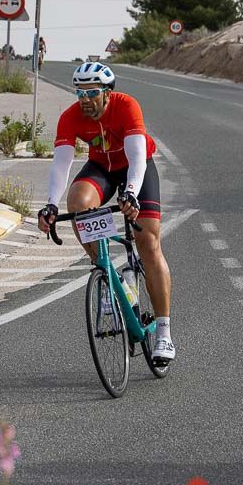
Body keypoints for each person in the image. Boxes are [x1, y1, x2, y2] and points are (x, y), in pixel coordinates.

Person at [36, 62, 176, 364]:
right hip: (102, 168)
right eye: (80, 92)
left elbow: (138, 155)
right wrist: (50, 204)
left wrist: (131, 194)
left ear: (108, 93)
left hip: (134, 168)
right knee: (78, 201)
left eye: (92, 92)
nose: (85, 99)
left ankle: (164, 332)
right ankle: (106, 274)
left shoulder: (127, 106)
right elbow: (61, 163)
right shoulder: (70, 116)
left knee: (148, 244)